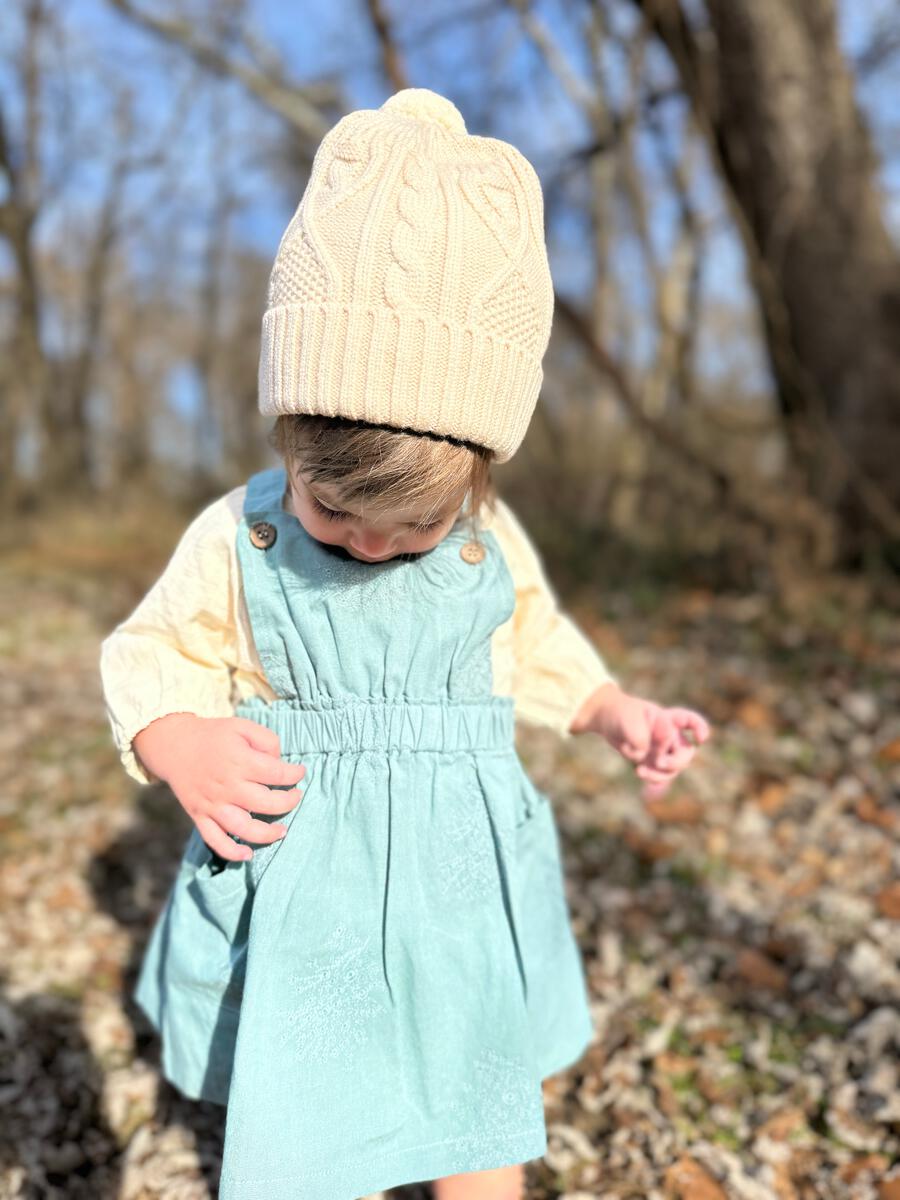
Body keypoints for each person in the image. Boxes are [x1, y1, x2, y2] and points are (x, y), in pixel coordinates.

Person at [99, 87, 710, 1200]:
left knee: (474, 1096)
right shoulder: (241, 536)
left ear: (479, 473)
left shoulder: (487, 539)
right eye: (337, 517)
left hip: (455, 877)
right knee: (309, 1120)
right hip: (309, 882)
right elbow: (147, 654)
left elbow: (532, 638)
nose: (373, 546)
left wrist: (614, 710)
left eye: (416, 526)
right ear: (291, 435)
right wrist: (176, 740)